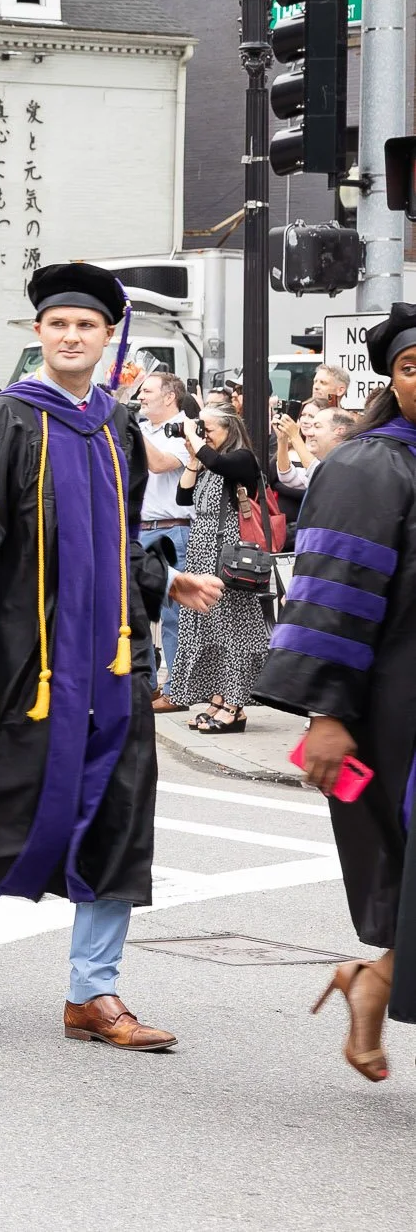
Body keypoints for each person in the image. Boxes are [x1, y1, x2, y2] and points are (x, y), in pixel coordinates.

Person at [0, 264, 223, 1050]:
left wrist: (165, 579)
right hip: (22, 664)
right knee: (17, 814)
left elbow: (113, 539)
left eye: (88, 326)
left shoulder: (114, 427)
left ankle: (93, 994)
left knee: (116, 817)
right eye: (59, 325)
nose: (73, 336)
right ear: (39, 334)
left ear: (111, 340)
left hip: (114, 663)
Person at [254, 303, 416, 1079]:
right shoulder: (369, 468)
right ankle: (375, 980)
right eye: (415, 366)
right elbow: (330, 597)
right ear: (393, 376)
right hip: (398, 714)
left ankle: (372, 981)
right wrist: (325, 713)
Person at [170, 407, 271, 734]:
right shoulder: (207, 461)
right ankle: (217, 698)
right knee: (210, 629)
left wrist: (197, 442)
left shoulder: (241, 459)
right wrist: (193, 456)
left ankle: (235, 706)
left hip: (229, 555)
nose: (203, 433)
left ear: (230, 428)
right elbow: (183, 496)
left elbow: (221, 463)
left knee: (233, 630)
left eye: (208, 428)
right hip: (202, 552)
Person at [134, 372, 196, 712]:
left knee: (173, 613)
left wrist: (127, 426)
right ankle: (146, 685)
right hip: (139, 528)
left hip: (173, 529)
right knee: (135, 611)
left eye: (147, 391)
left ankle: (178, 690)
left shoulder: (187, 428)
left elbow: (159, 465)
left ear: (170, 397)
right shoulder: (142, 429)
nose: (141, 397)